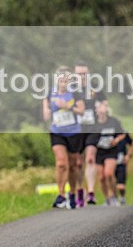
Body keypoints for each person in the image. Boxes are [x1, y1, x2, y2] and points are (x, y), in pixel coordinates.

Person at [43, 66, 85, 209]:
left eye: (65, 81)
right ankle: (61, 194)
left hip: (73, 132)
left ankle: (72, 193)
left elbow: (81, 110)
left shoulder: (74, 94)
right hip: (57, 132)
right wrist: (47, 112)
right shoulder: (50, 93)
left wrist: (67, 106)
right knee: (61, 163)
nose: (63, 83)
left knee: (73, 166)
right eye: (61, 81)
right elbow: (46, 108)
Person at [74, 61, 107, 206]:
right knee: (78, 162)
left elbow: (104, 103)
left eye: (84, 74)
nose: (81, 77)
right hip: (75, 129)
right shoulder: (71, 89)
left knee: (90, 159)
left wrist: (102, 108)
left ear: (88, 74)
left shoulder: (96, 88)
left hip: (93, 128)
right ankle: (80, 190)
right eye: (79, 74)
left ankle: (91, 192)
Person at [92, 103, 126, 206]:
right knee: (101, 177)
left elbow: (122, 134)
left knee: (109, 174)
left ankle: (114, 196)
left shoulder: (113, 121)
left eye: (103, 109)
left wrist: (116, 140)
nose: (101, 111)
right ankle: (107, 198)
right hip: (99, 152)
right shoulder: (94, 123)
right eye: (99, 109)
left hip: (111, 151)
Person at [114, 132, 133, 205]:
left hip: (121, 162)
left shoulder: (124, 133)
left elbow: (132, 143)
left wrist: (128, 155)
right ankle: (113, 198)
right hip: (110, 160)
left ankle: (122, 197)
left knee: (121, 186)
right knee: (111, 180)